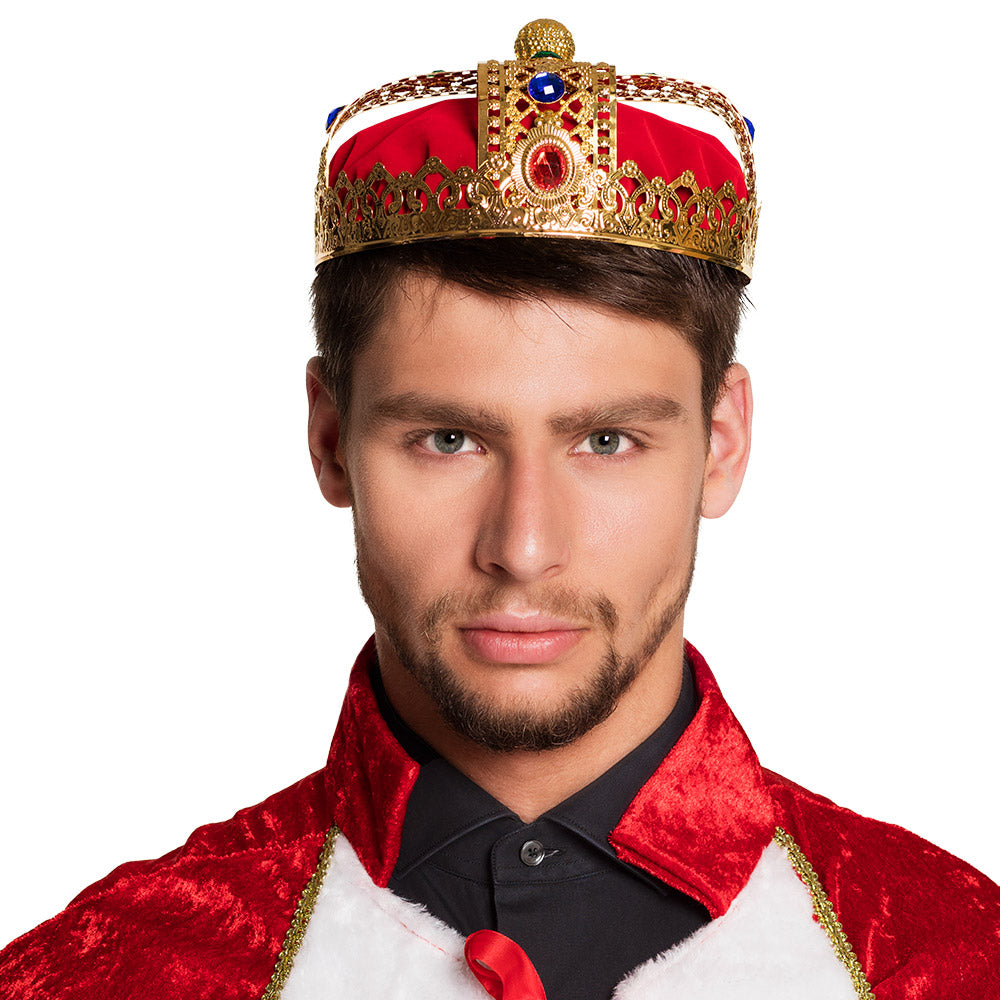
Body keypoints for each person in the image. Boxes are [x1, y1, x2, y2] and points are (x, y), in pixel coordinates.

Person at [2, 18, 997, 1000]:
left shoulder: (950, 960)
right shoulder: (109, 975)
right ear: (330, 439)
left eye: (605, 441)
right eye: (448, 440)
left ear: (722, 443)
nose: (523, 547)